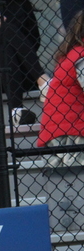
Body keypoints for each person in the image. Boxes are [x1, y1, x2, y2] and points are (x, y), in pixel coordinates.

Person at [37, 10, 84, 167]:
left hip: (58, 127)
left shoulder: (70, 54)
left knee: (64, 180)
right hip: (74, 127)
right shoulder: (81, 56)